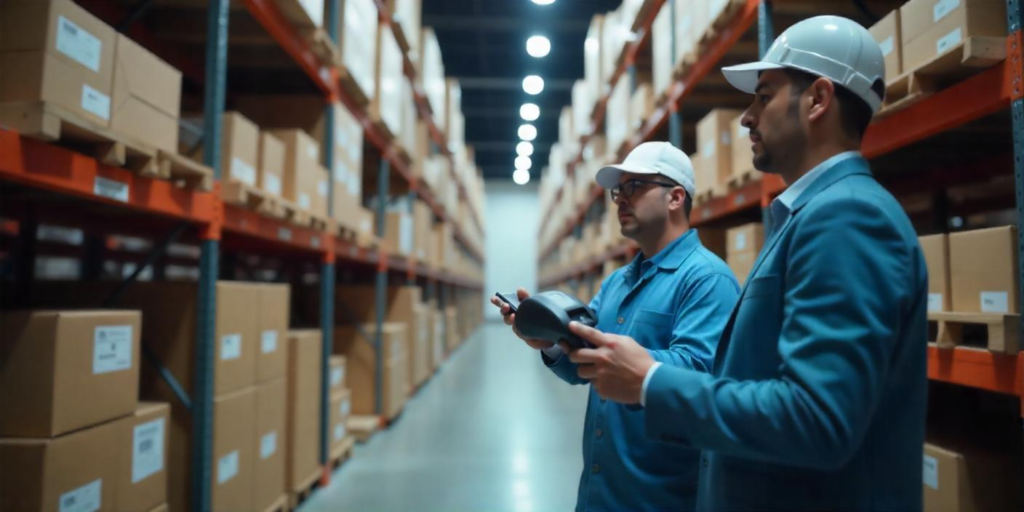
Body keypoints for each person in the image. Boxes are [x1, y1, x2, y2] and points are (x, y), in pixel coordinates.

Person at [565, 15, 928, 511]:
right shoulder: (810, 217)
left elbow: (818, 418)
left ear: (818, 99)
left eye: (764, 95)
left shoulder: (847, 217)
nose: (747, 117)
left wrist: (652, 381)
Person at [491, 142, 739, 511]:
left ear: (675, 197)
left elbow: (702, 380)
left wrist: (620, 358)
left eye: (634, 187)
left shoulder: (707, 279)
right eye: (617, 191)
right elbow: (586, 364)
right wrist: (550, 341)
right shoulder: (617, 281)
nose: (621, 199)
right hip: (601, 490)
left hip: (662, 494)